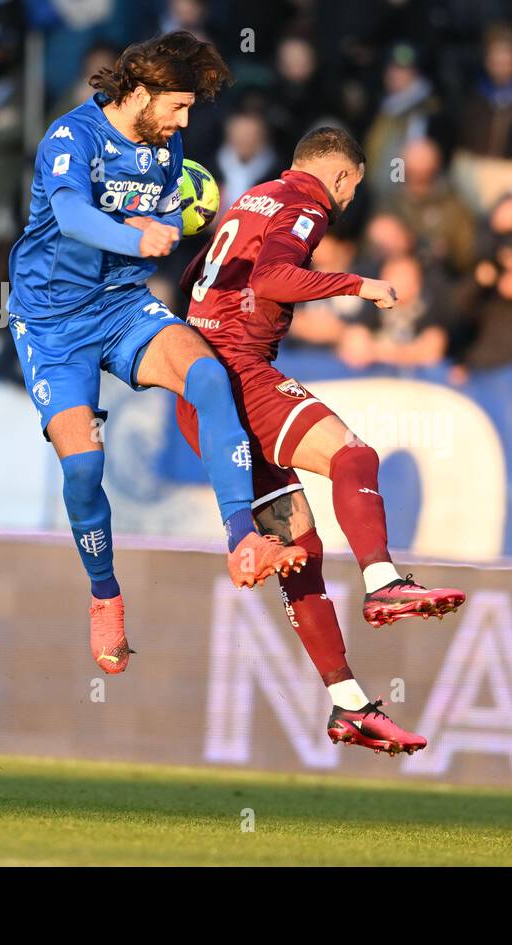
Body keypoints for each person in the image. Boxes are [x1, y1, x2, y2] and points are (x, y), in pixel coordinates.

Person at [6, 31, 305, 678]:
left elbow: (162, 224)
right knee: (84, 468)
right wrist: (132, 235)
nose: (185, 120)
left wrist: (170, 234)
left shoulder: (166, 150)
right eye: (178, 106)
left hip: (120, 305)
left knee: (209, 377)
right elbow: (72, 217)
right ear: (139, 93)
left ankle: (242, 537)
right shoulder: (71, 137)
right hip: (54, 326)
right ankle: (106, 595)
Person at [174, 126, 469, 756]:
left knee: (299, 552)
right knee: (353, 455)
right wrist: (355, 284)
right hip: (241, 379)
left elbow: (198, 279)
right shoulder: (307, 203)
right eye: (353, 189)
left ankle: (348, 704)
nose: (348, 202)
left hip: (202, 392)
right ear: (340, 177)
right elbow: (277, 277)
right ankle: (384, 583)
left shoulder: (253, 197)